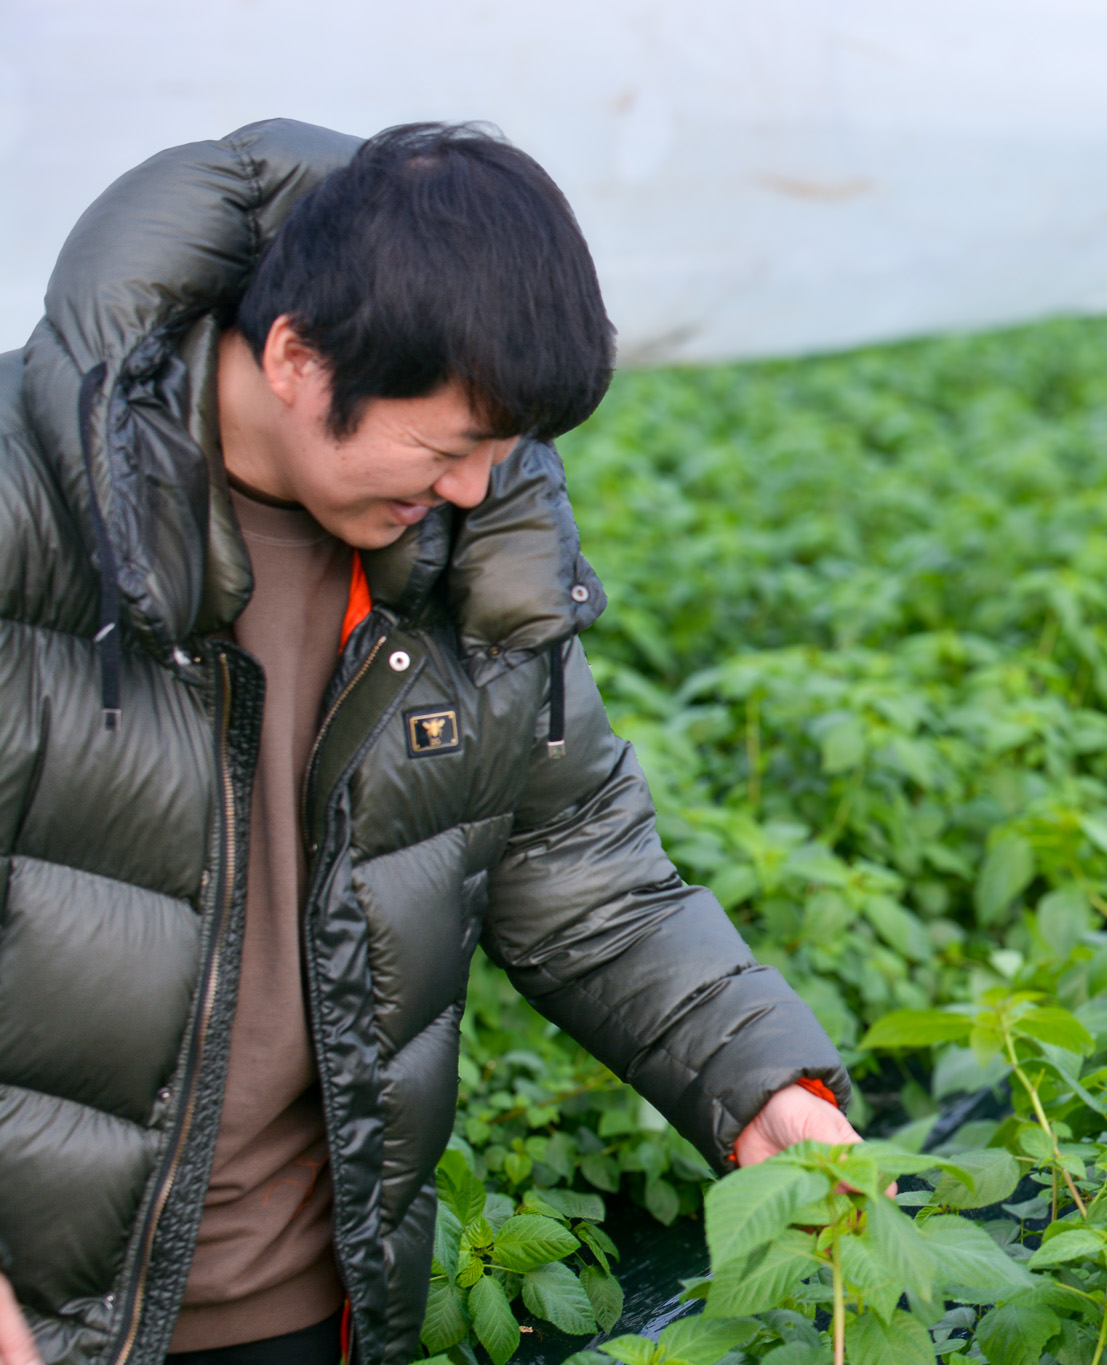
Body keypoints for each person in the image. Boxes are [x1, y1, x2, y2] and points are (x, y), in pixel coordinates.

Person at [0, 121, 864, 1365]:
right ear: (297, 356)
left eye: (502, 450)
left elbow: (582, 878)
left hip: (311, 1301)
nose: (472, 490)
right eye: (447, 446)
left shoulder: (472, 565)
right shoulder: (33, 515)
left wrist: (758, 1085)